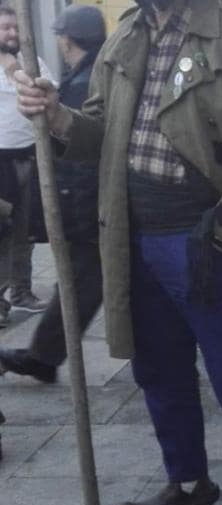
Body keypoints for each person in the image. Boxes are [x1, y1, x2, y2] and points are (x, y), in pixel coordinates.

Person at [14, 0, 222, 505]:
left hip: (207, 242)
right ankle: (188, 485)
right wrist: (56, 116)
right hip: (133, 239)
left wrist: (221, 231)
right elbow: (100, 134)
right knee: (158, 373)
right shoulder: (126, 35)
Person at [0, 4, 105, 384]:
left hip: (90, 209)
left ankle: (43, 357)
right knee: (84, 284)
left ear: (67, 39)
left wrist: (73, 217)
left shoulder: (82, 83)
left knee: (81, 284)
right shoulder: (90, 74)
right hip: (92, 207)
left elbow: (81, 160)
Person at [0, 4, 53, 327]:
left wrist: (16, 70)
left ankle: (21, 291)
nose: (12, 33)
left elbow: (49, 92)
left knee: (25, 231)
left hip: (30, 156)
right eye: (5, 28)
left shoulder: (33, 62)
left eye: (16, 28)